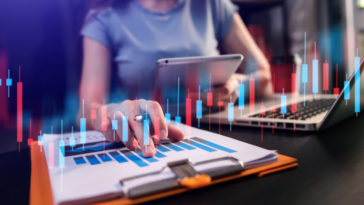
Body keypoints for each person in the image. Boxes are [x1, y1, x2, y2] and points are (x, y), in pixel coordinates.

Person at [79, 0, 272, 157]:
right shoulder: (104, 17)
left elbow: (265, 77)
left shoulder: (212, 4)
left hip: (218, 135)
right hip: (148, 141)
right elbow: (86, 110)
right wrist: (111, 113)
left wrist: (236, 86)